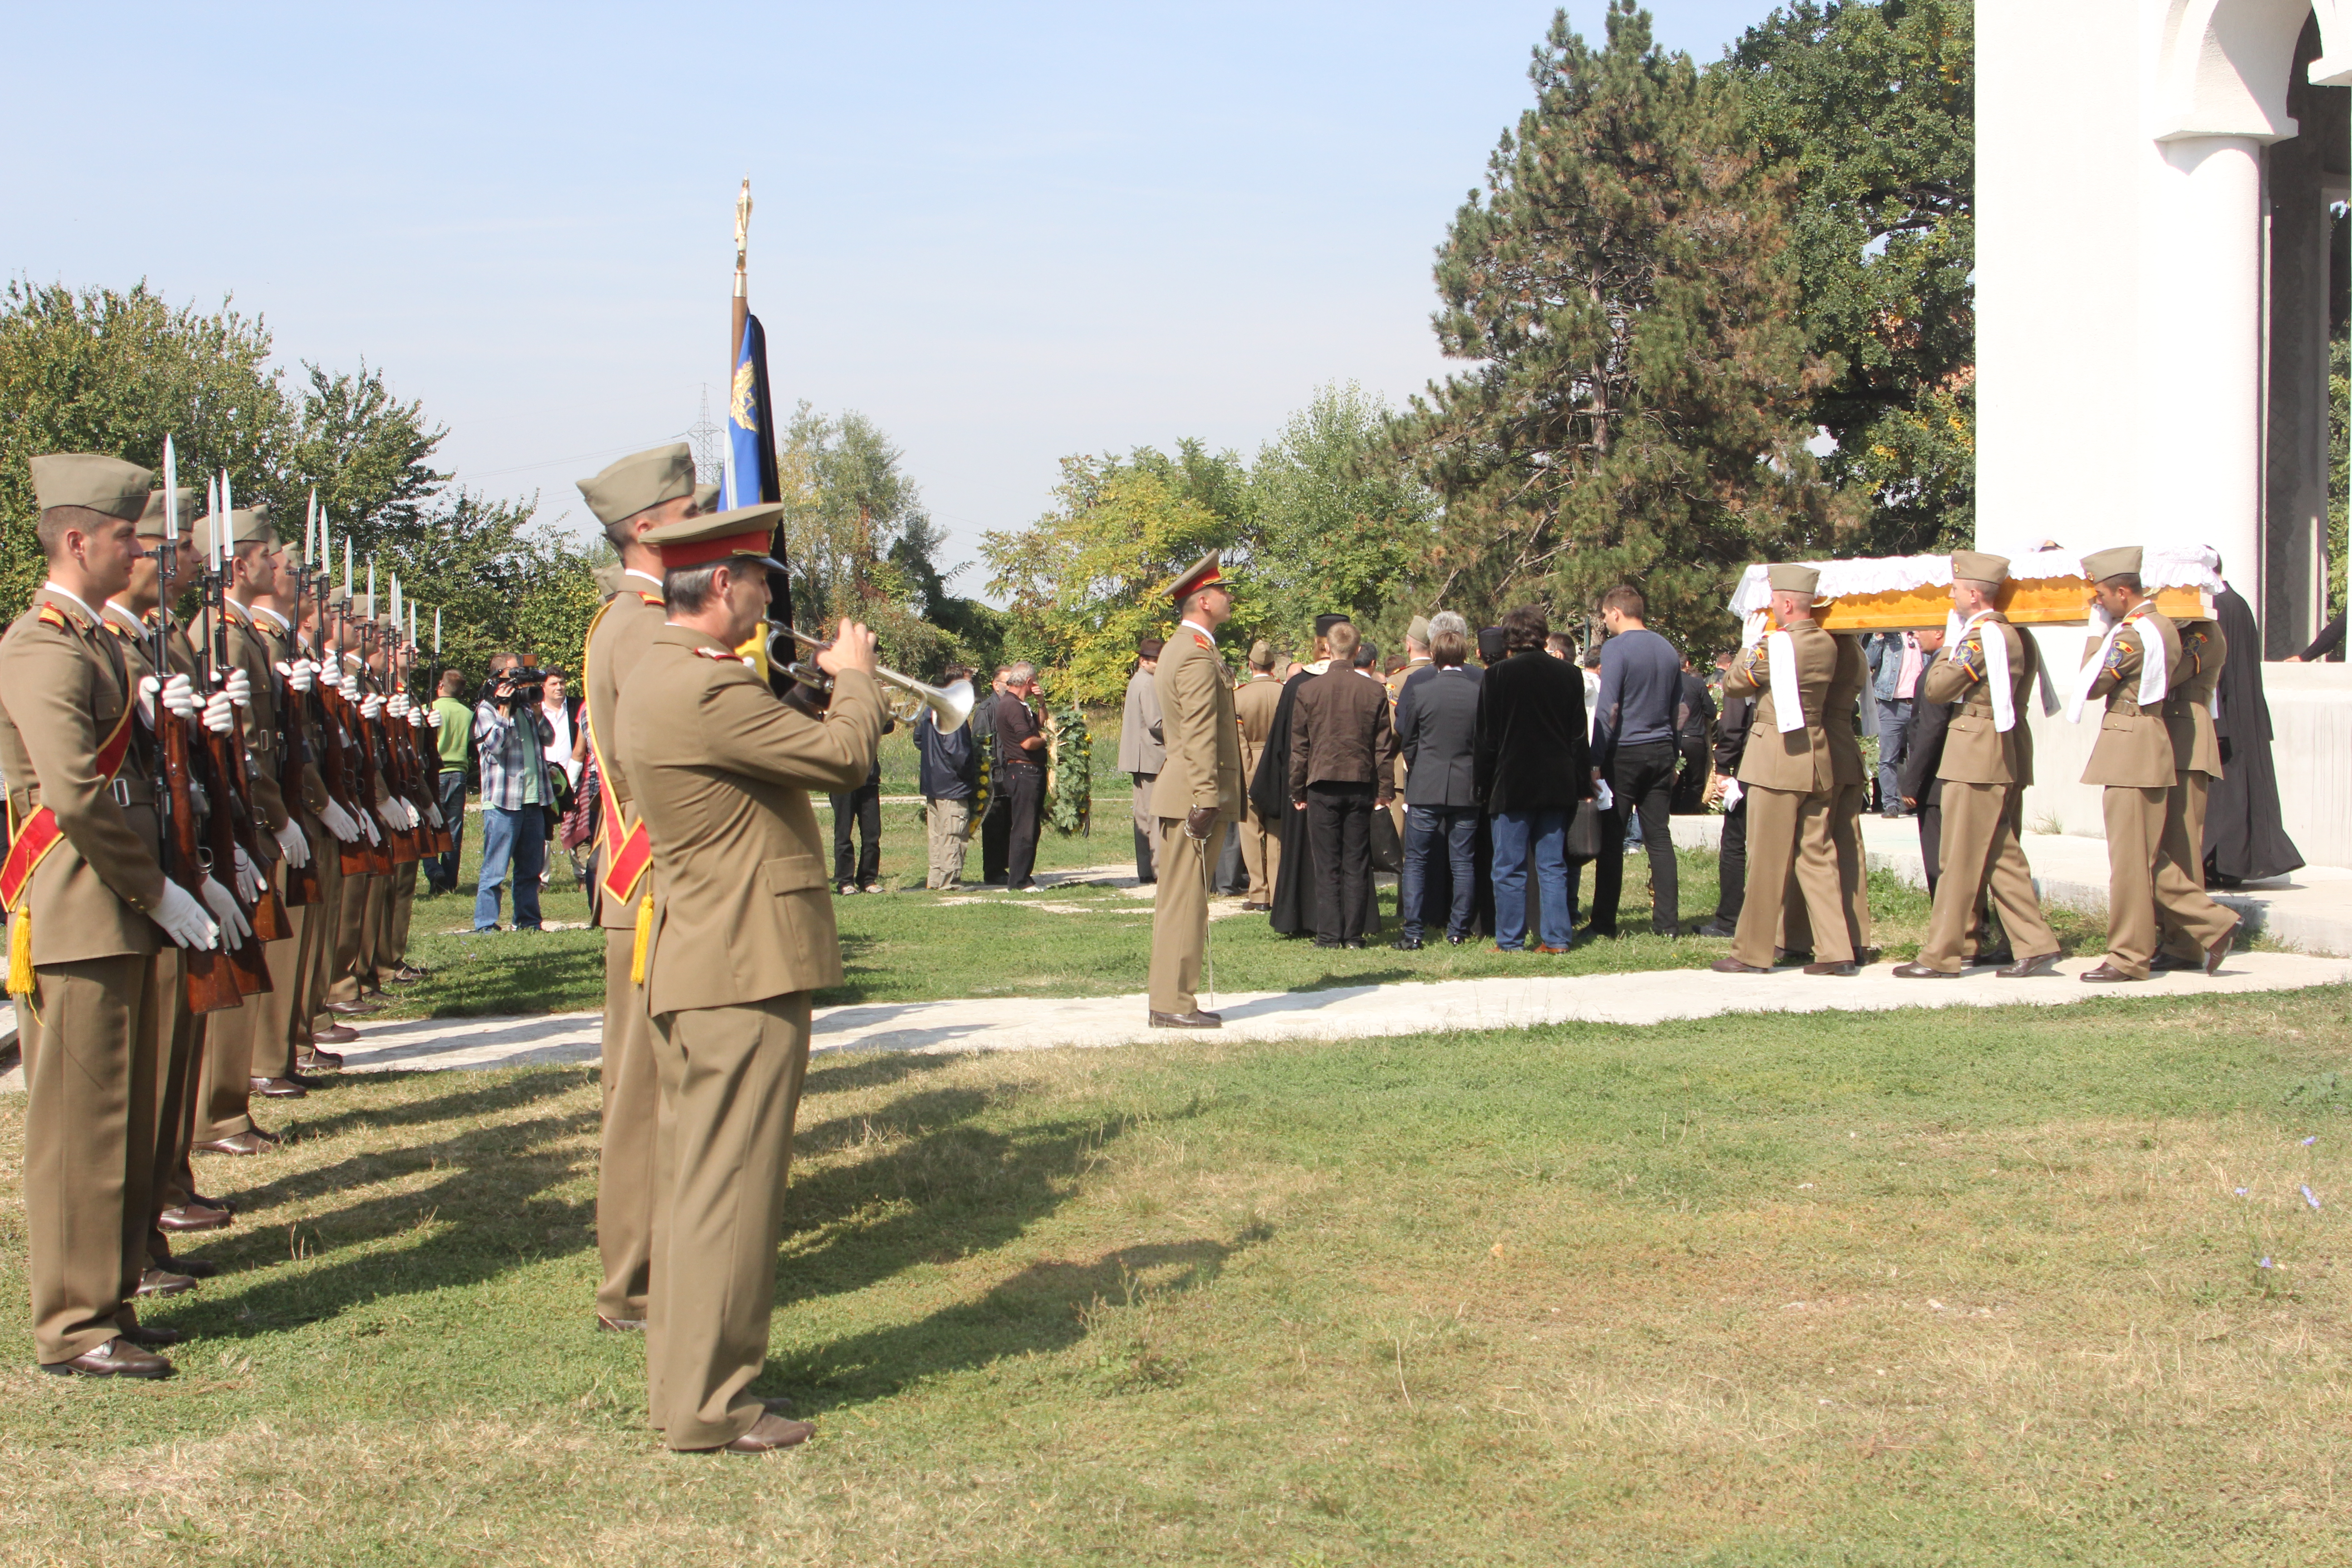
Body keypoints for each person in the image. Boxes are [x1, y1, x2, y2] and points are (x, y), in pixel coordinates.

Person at [615, 504, 885, 1453]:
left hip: (705, 953)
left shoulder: (663, 674)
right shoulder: (704, 689)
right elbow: (845, 759)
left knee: (698, 1188)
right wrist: (853, 682)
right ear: (722, 587)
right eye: (762, 580)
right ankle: (712, 1404)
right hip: (742, 962)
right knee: (735, 1190)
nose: (771, 596)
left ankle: (683, 1388)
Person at [0, 452, 232, 1380]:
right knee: (79, 1128)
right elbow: (79, 795)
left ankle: (109, 1302)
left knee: (125, 1121)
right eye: (128, 535)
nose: (141, 549)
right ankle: (71, 1325)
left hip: (118, 908)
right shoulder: (42, 644)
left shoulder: (100, 643)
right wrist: (157, 887)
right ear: (76, 540)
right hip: (77, 907)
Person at [577, 441, 695, 1336]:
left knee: (655, 1085)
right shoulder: (641, 626)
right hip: (654, 883)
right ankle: (636, 1283)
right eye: (691, 516)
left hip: (654, 881)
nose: (706, 528)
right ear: (648, 531)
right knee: (643, 1092)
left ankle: (649, 1265)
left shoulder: (640, 617)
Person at [1892, 554, 2060, 980]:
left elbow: (1937, 687)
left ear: (1973, 593)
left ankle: (1941, 956)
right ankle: (2037, 945)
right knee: (1998, 855)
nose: (1949, 595)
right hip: (1990, 750)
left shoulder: (1980, 637)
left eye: (1955, 588)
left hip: (1975, 753)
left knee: (1960, 858)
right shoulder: (2008, 633)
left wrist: (1949, 643)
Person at [2070, 545, 2232, 981]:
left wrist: (2097, 631)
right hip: (2154, 742)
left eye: (2102, 595)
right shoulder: (2158, 627)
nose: (2097, 602)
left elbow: (2095, 681)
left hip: (2156, 742)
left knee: (2153, 855)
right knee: (2147, 856)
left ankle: (2143, 951)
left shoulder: (2153, 632)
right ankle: (2201, 931)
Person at [1710, 564, 1855, 976]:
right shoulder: (1827, 644)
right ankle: (1836, 950)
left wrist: (1748, 645)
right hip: (1816, 757)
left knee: (1767, 861)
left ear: (1788, 603)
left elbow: (1736, 683)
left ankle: (1752, 952)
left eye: (1774, 599)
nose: (1770, 606)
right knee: (1818, 856)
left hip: (1777, 759)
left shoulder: (1775, 646)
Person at [1147, 552, 1241, 1025]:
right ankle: (1172, 1004)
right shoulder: (1195, 655)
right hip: (1193, 793)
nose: (1229, 597)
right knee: (1186, 903)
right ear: (1203, 601)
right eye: (1222, 591)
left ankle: (1171, 998)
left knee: (1181, 901)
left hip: (1183, 788)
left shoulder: (1183, 649)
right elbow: (1201, 733)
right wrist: (1207, 798)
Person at [1473, 605, 1591, 953]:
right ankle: (1557, 938)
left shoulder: (1497, 676)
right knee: (1552, 865)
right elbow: (1578, 737)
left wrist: (1480, 784)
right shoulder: (1570, 674)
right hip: (1557, 783)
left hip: (1512, 782)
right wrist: (1583, 785)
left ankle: (1509, 940)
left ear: (1509, 637)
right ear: (1541, 634)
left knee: (1508, 866)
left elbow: (1486, 739)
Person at [1289, 621, 1396, 949]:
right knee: (1356, 860)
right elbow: (1384, 748)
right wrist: (1385, 790)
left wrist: (1297, 788)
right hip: (1360, 782)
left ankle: (1330, 935)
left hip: (1321, 783)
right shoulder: (1374, 690)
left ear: (1328, 649)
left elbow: (1300, 746)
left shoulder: (1308, 690)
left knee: (1327, 862)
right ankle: (1353, 935)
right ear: (1357, 650)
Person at [1586, 585, 1684, 938]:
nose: (1605, 622)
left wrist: (1596, 758)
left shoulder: (1616, 649)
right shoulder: (1667, 648)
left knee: (1613, 839)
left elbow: (1609, 707)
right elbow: (1677, 709)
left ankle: (1604, 923)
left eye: (1605, 616)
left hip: (1625, 751)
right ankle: (1668, 924)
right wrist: (1673, 754)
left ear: (1615, 612)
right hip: (1661, 749)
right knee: (1659, 837)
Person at [2154, 609, 2239, 970]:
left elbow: (2166, 676)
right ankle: (2175, 938)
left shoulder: (2203, 633)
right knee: (2156, 846)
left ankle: (2191, 939)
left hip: (2186, 742)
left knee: (2181, 847)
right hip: (2162, 742)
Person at [1254, 615, 1349, 936]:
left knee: (1303, 853)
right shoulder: (1362, 682)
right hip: (1350, 781)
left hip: (1307, 782)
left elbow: (1284, 742)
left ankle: (1301, 916)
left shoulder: (1298, 684)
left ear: (1319, 643)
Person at [2206, 575, 2302, 883]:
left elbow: (2215, 668)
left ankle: (2225, 866)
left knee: (2228, 796)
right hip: (2242, 713)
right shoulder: (2234, 602)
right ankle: (2229, 865)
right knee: (2237, 793)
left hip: (2227, 716)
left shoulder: (2217, 605)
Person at [1394, 611, 1481, 948]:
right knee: (1463, 862)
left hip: (1426, 785)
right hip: (1466, 786)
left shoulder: (1423, 691)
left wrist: (1419, 766)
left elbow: (1407, 736)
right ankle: (1458, 930)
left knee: (1416, 861)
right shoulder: (1478, 691)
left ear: (1434, 654)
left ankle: (1413, 933)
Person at [473, 651, 554, 932]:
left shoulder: (527, 708)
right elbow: (496, 747)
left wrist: (538, 712)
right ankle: (485, 923)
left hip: (533, 799)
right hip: (503, 801)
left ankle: (528, 921)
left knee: (530, 870)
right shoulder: (487, 709)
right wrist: (505, 712)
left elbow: (549, 738)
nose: (520, 683)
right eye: (514, 676)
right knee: (495, 870)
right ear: (498, 678)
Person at [1696, 655, 1753, 938]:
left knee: (1734, 844)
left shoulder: (1751, 663)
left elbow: (1733, 723)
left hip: (1750, 765)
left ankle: (1730, 919)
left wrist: (1725, 765)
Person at [1892, 626, 1952, 893]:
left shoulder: (1939, 671)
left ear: (1939, 632)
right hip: (1944, 777)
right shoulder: (1944, 666)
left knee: (1939, 861)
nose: (1914, 634)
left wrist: (1912, 782)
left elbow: (1930, 729)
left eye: (1920, 629)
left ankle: (1953, 927)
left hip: (1935, 780)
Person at [1232, 640, 1285, 911]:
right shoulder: (1285, 692)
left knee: (1251, 833)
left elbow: (1240, 743)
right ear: (1274, 666)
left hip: (1251, 767)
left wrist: (1248, 774)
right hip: (1279, 768)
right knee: (1276, 834)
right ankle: (1277, 892)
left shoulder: (1238, 696)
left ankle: (1259, 893)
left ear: (1249, 665)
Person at [917, 666, 978, 889]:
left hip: (933, 782)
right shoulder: (955, 710)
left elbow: (919, 740)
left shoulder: (929, 709)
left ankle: (936, 878)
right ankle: (951, 880)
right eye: (968, 683)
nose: (971, 688)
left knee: (937, 834)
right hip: (953, 784)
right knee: (954, 832)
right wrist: (970, 773)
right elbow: (958, 753)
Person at [1117, 638, 1166, 885]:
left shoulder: (1137, 681)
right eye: (1154, 659)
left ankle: (1146, 869)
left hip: (1139, 757)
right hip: (1152, 755)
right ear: (1143, 661)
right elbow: (1156, 723)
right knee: (1155, 816)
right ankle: (1157, 869)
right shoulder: (1148, 684)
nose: (1158, 663)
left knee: (1143, 815)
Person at [996, 663, 1047, 891]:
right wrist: (1048, 740)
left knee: (1032, 827)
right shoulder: (1011, 706)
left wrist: (1042, 703)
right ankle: (1018, 881)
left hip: (1029, 771)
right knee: (1024, 828)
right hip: (1023, 772)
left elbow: (1040, 723)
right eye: (1035, 681)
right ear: (1028, 682)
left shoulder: (1021, 704)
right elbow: (1027, 741)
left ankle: (1025, 876)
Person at [1866, 630, 1926, 817]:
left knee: (1919, 756)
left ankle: (1918, 800)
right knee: (1888, 758)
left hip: (1919, 703)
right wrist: (1878, 637)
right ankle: (1891, 804)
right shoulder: (1889, 637)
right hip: (1891, 704)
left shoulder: (1923, 635)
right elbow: (1868, 662)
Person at [426, 669, 473, 894]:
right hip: (459, 772)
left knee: (429, 824)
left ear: (441, 686)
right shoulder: (467, 713)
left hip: (437, 771)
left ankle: (434, 871)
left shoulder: (433, 709)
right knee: (454, 829)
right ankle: (449, 882)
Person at [975, 666, 1012, 885]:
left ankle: (1005, 868)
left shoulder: (1012, 707)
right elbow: (979, 743)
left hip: (1011, 776)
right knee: (994, 827)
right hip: (994, 778)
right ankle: (993, 870)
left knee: (1009, 824)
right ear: (995, 684)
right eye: (1007, 683)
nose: (1009, 688)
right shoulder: (986, 709)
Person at [1670, 654, 1715, 814]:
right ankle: (1685, 813)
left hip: (1670, 739)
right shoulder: (1697, 684)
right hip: (1693, 738)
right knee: (1695, 783)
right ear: (1687, 664)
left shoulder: (1666, 683)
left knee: (1673, 780)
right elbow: (1711, 711)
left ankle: (1672, 813)